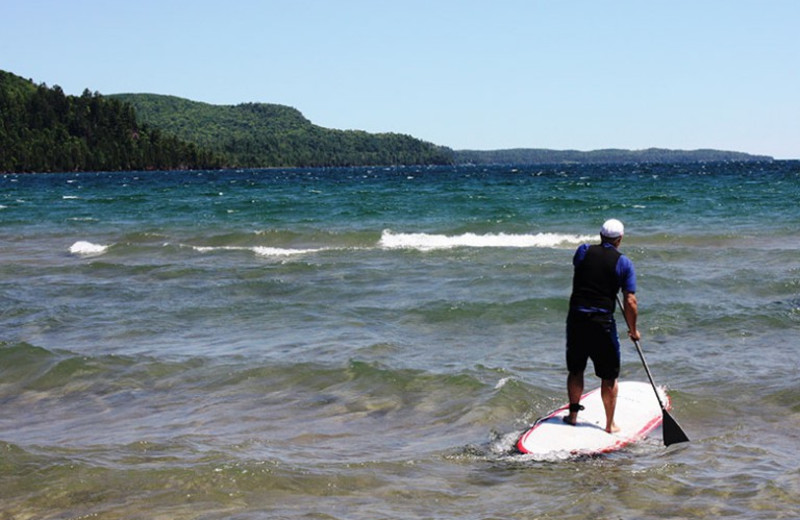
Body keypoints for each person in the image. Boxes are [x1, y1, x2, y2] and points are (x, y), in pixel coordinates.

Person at [564, 218, 640, 433]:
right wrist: (633, 331)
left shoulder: (583, 251)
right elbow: (630, 300)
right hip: (602, 323)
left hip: (577, 319)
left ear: (600, 235)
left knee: (576, 369)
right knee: (608, 376)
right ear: (620, 239)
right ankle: (609, 425)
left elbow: (584, 270)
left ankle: (572, 416)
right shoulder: (623, 263)